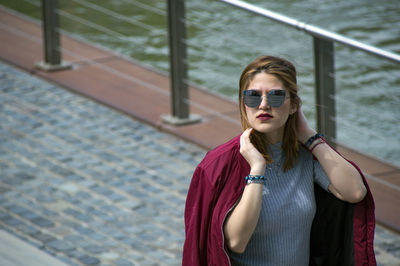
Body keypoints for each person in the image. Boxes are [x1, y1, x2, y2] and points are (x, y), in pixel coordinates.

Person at [182, 55, 376, 266]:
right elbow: (236, 242)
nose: (264, 105)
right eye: (253, 97)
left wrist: (310, 138)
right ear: (243, 103)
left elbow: (355, 192)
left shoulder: (304, 156)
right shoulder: (219, 165)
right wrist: (257, 168)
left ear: (293, 105)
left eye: (275, 96)